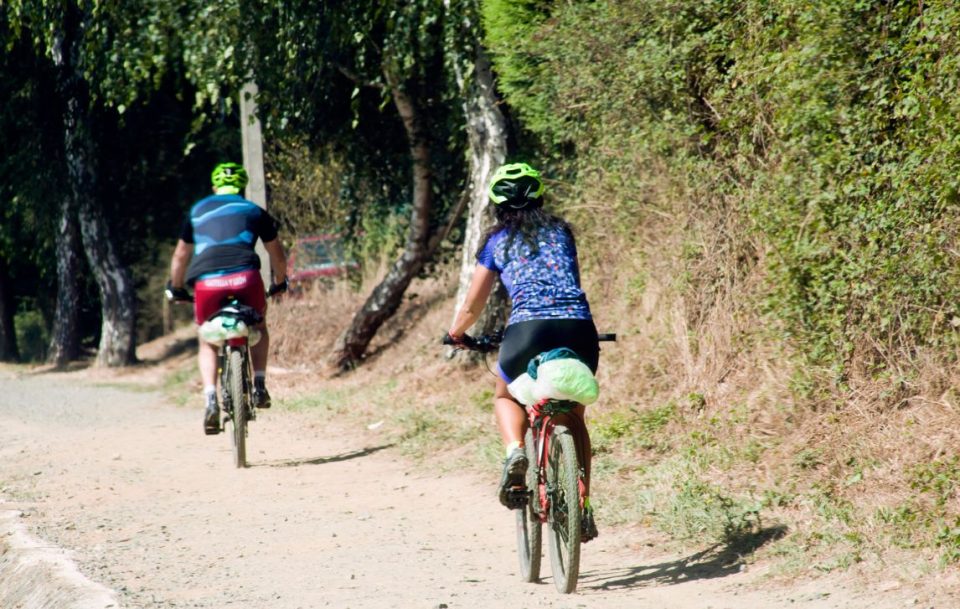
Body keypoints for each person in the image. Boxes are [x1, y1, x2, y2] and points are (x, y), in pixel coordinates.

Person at [447, 162, 601, 539]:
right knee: (574, 414)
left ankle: (516, 449)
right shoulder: (562, 231)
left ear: (497, 204)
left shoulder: (496, 242)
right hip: (578, 328)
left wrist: (456, 333)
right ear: (540, 197)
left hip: (526, 331)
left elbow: (473, 305)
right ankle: (582, 506)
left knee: (505, 395)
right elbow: (568, 282)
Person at [166, 162, 287, 435]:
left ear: (214, 187)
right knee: (259, 325)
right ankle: (259, 384)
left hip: (207, 283)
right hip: (246, 277)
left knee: (207, 339)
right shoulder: (254, 210)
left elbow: (180, 255)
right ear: (242, 186)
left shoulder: (197, 211)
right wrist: (280, 282)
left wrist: (176, 287)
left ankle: (210, 398)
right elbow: (277, 254)